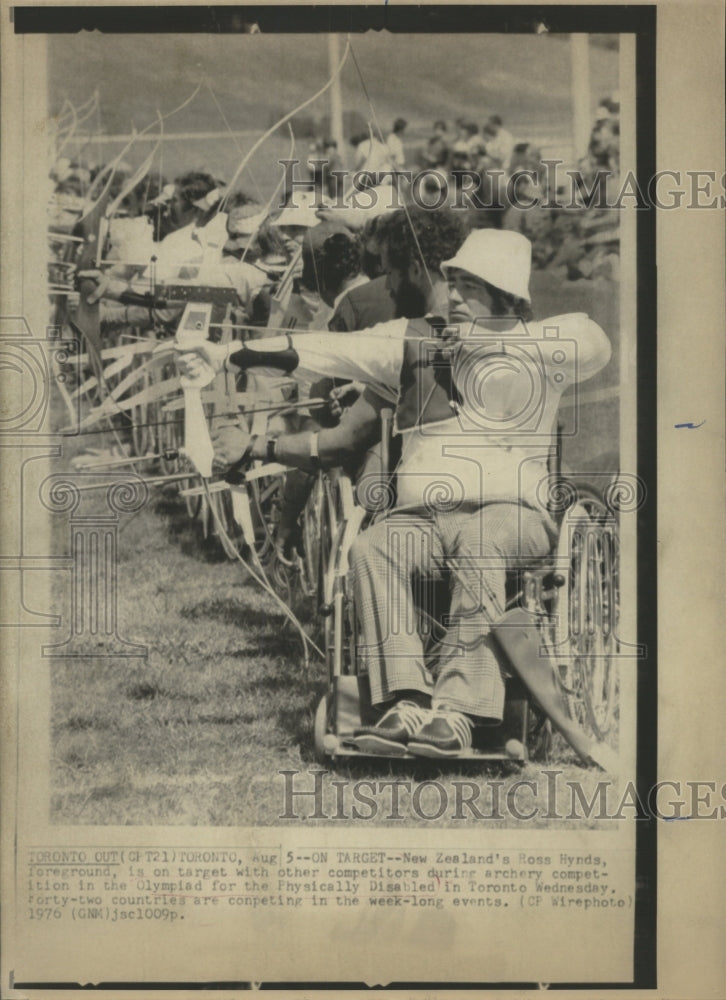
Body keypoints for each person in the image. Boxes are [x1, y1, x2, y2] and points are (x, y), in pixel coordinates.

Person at [178, 229, 611, 757]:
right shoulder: (415, 341)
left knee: (478, 539)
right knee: (372, 547)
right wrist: (225, 354)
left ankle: (459, 713)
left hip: (511, 517)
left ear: (504, 296)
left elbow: (595, 340)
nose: (451, 294)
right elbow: (325, 350)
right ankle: (405, 701)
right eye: (452, 281)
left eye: (469, 285)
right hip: (423, 519)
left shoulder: (547, 347)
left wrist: (484, 342)